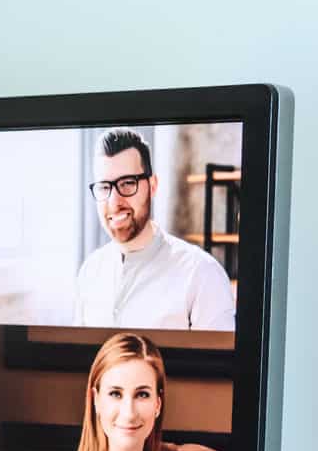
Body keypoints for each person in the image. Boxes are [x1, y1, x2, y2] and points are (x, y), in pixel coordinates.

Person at [71, 129, 235, 330]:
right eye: (104, 187)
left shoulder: (202, 274)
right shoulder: (90, 271)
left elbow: (219, 361)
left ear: (153, 185)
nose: (115, 202)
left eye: (128, 183)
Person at [55, 332, 189, 451]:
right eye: (115, 394)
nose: (129, 412)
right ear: (96, 401)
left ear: (158, 404)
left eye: (142, 394)